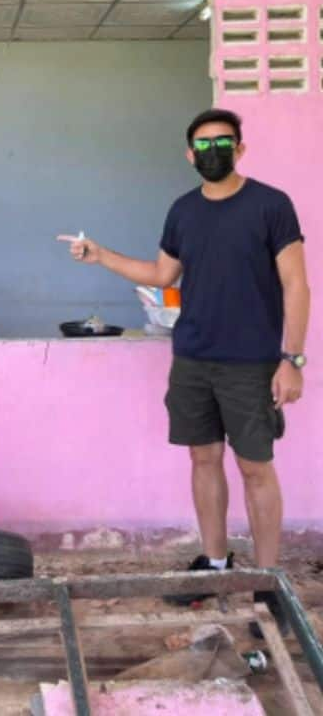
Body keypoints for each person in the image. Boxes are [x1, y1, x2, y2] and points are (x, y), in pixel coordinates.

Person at [58, 109, 309, 634]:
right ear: (188, 153)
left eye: (222, 143)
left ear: (240, 148)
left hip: (252, 362)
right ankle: (216, 565)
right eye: (202, 144)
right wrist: (101, 255)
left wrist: (292, 358)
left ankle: (268, 582)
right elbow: (161, 273)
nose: (212, 151)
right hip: (193, 357)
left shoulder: (271, 205)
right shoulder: (183, 211)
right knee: (203, 459)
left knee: (256, 468)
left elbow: (296, 285)